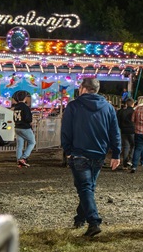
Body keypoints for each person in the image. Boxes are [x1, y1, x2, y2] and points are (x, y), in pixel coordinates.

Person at [60, 77, 121, 238]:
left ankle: (94, 221)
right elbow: (115, 132)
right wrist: (116, 153)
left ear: (83, 88)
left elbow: (66, 130)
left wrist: (67, 150)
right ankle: (80, 218)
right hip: (99, 153)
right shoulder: (108, 108)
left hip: (79, 152)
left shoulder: (74, 106)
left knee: (85, 187)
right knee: (88, 187)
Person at [12, 91, 35, 166]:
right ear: (25, 98)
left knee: (20, 145)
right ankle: (24, 157)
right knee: (32, 142)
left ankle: (19, 159)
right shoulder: (25, 107)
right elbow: (28, 119)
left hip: (17, 127)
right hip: (25, 127)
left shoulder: (16, 107)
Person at [116, 99, 137, 170]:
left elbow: (118, 121)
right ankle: (130, 159)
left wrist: (121, 127)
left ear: (126, 104)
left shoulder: (122, 112)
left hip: (124, 130)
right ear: (133, 104)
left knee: (126, 147)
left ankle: (124, 164)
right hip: (132, 130)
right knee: (134, 145)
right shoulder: (134, 112)